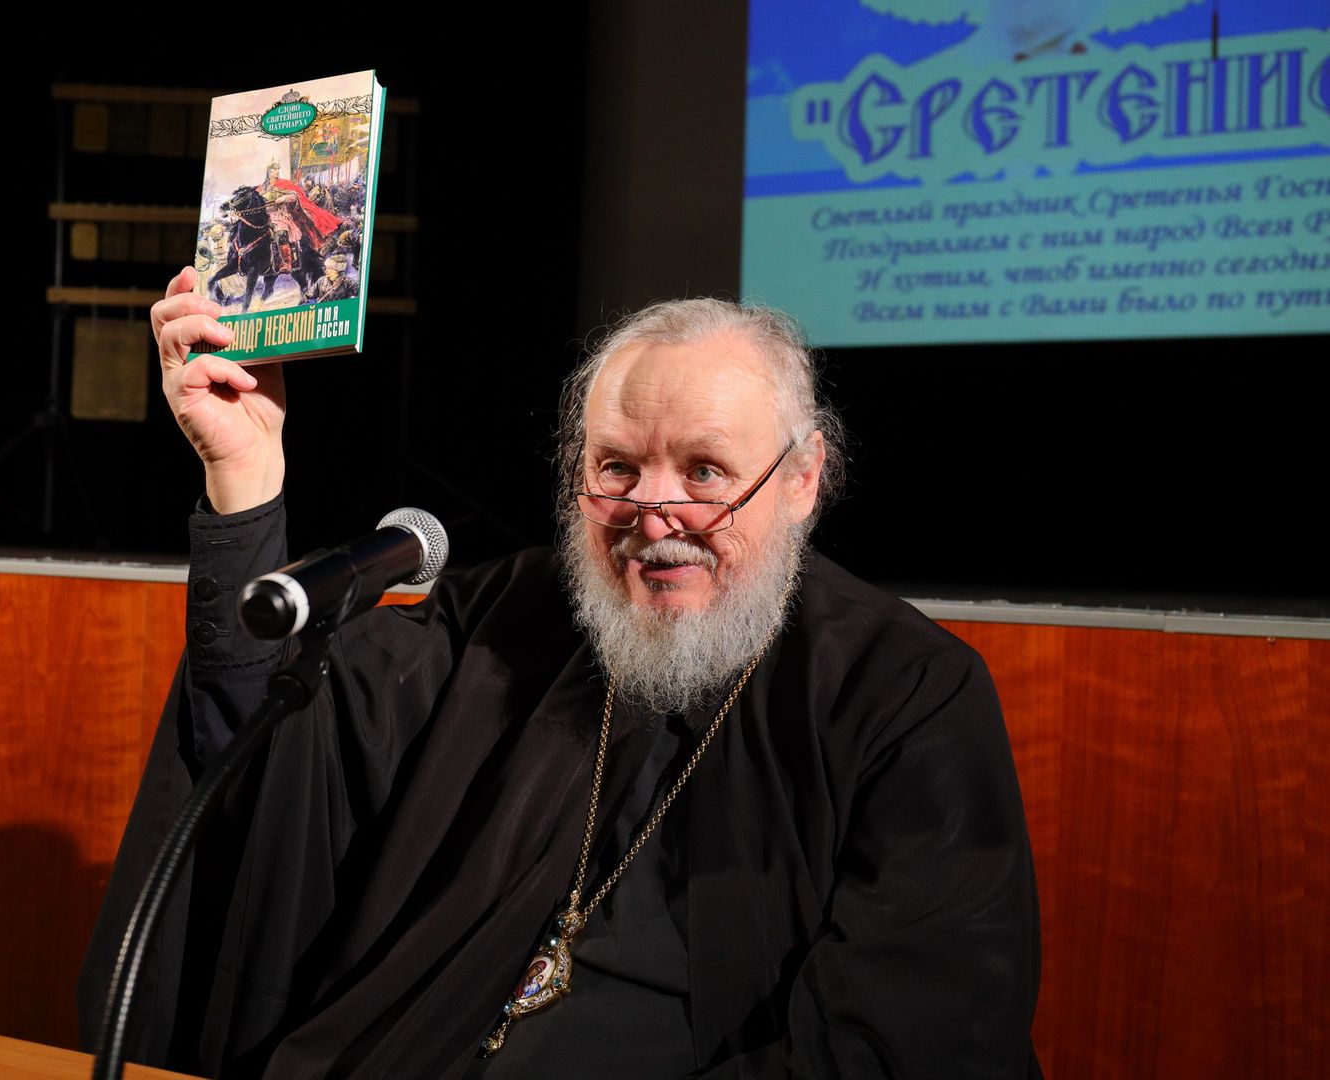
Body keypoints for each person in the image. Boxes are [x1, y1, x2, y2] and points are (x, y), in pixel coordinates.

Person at [78, 268, 1043, 1079]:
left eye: (704, 472)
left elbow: (905, 1040)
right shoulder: (506, 623)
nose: (653, 512)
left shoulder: (906, 697)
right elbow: (274, 750)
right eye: (616, 467)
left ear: (802, 481)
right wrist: (246, 478)